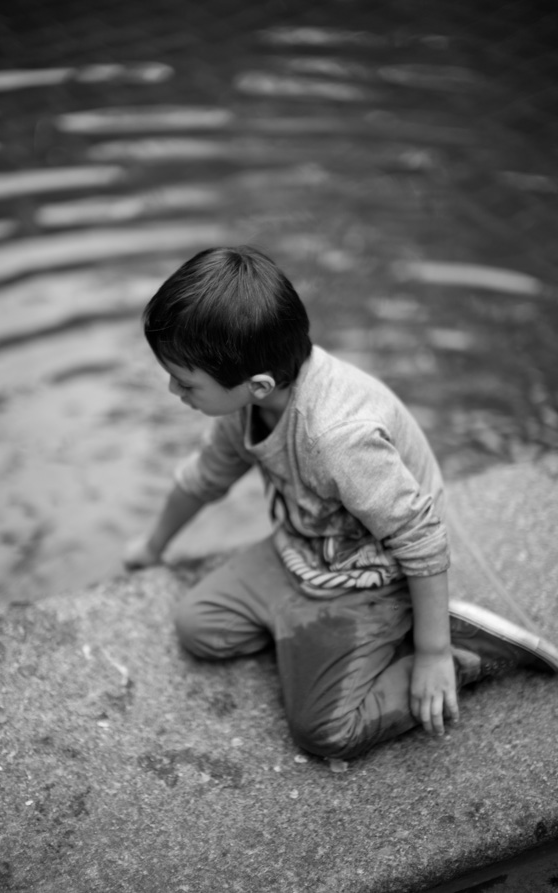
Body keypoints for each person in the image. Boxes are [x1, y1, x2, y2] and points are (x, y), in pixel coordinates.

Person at [124, 245, 558, 760]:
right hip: (305, 551)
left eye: (185, 380)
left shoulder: (337, 435)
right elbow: (204, 479)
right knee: (200, 629)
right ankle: (311, 628)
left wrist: (433, 653)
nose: (172, 388)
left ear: (258, 385)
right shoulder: (245, 400)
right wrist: (152, 548)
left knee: (326, 731)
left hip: (377, 572)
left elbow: (420, 536)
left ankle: (467, 649)